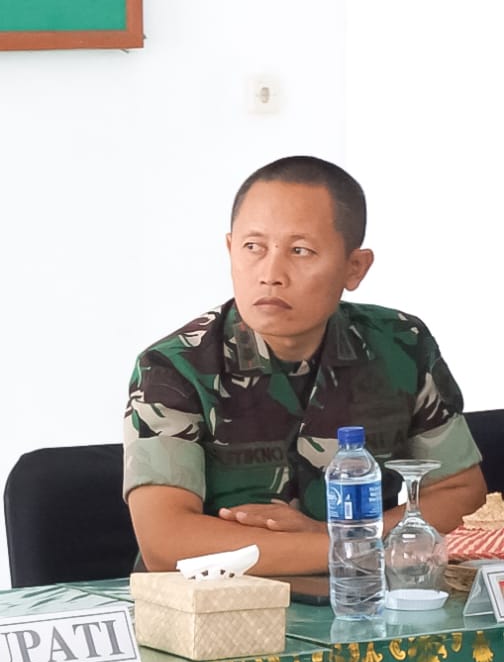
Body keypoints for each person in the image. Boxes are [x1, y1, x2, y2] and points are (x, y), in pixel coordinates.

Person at [124, 156, 486, 574]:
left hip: (360, 598)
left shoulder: (401, 345)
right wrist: (349, 546)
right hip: (214, 605)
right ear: (230, 250)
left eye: (300, 251)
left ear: (355, 267)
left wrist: (333, 536)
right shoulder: (174, 367)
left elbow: (463, 494)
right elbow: (166, 543)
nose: (271, 274)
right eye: (253, 247)